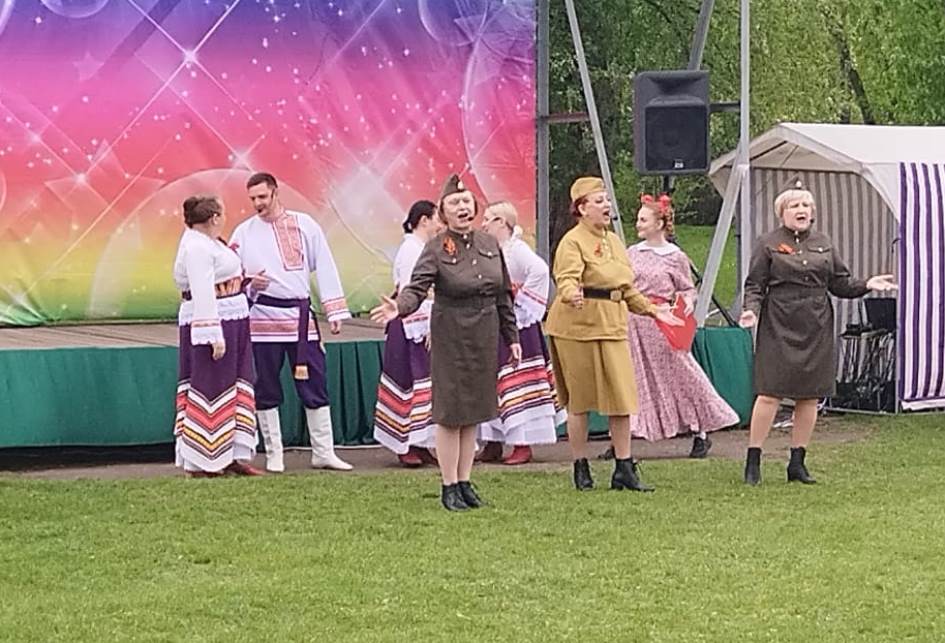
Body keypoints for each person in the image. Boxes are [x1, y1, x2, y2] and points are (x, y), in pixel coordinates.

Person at [371, 174, 521, 511]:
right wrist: (399, 307)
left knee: (474, 412)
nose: (462, 207)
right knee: (451, 413)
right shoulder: (436, 247)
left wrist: (511, 337)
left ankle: (465, 481)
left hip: (484, 334)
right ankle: (448, 485)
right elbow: (417, 287)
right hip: (451, 333)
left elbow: (503, 294)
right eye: (455, 203)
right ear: (443, 212)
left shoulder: (489, 243)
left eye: (466, 202)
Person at [739, 180, 897, 485]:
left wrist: (867, 284)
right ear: (782, 212)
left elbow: (840, 283)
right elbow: (755, 285)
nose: (801, 210)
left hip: (816, 323)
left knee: (810, 396)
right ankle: (753, 461)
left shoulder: (823, 242)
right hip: (779, 322)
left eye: (806, 205)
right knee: (770, 392)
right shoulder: (768, 243)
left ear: (812, 212)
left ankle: (797, 463)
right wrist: (751, 310)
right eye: (795, 205)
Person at [545, 177, 682, 492]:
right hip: (577, 327)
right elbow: (566, 278)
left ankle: (624, 467)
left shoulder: (615, 242)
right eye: (599, 201)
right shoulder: (572, 242)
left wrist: (653, 310)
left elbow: (626, 288)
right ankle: (580, 465)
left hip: (613, 324)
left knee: (622, 398)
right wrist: (570, 293)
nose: (607, 205)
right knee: (579, 400)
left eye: (607, 200)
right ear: (582, 208)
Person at [230, 172, 353, 473]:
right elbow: (231, 274)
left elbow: (325, 264)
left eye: (262, 196)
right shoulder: (243, 232)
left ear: (275, 192)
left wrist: (334, 311)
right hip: (262, 319)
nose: (258, 203)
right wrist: (250, 284)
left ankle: (323, 452)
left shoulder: (305, 225)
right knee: (265, 385)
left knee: (315, 382)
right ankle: (275, 453)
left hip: (299, 319)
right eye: (253, 199)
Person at [625, 194, 739, 457]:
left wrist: (685, 302)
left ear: (659, 224)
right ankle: (625, 437)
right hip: (632, 322)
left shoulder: (675, 257)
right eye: (638, 219)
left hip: (662, 323)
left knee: (682, 373)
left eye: (643, 219)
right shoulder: (631, 252)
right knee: (633, 378)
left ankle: (702, 430)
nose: (638, 224)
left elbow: (687, 289)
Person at [173, 195, 262, 478]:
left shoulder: (209, 243)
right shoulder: (196, 246)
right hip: (216, 322)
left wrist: (247, 283)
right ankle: (204, 458)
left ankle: (232, 452)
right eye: (222, 214)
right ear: (214, 218)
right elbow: (202, 290)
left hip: (233, 318)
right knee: (212, 384)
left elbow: (224, 276)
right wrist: (213, 334)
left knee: (236, 382)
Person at [477, 201, 564, 465]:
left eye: (488, 219)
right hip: (494, 325)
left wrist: (521, 303)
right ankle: (492, 441)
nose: (483, 224)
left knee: (517, 383)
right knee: (492, 381)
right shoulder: (491, 250)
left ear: (502, 222)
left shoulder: (516, 249)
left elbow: (540, 271)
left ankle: (522, 443)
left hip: (518, 329)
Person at [373, 200, 441, 467]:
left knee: (423, 385)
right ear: (424, 220)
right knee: (406, 383)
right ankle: (404, 444)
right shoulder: (411, 250)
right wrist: (428, 324)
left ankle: (420, 442)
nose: (439, 225)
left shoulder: (420, 248)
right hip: (410, 326)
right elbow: (414, 292)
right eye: (436, 219)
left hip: (418, 324)